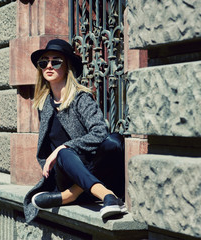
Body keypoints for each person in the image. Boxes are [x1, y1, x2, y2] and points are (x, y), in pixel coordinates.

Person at [23, 39, 126, 222]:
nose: (49, 66)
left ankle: (72, 196)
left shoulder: (81, 98)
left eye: (56, 61)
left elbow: (99, 132)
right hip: (65, 175)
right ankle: (107, 197)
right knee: (64, 155)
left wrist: (62, 147)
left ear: (67, 66)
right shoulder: (43, 104)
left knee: (113, 141)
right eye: (44, 62)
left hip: (91, 169)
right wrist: (61, 151)